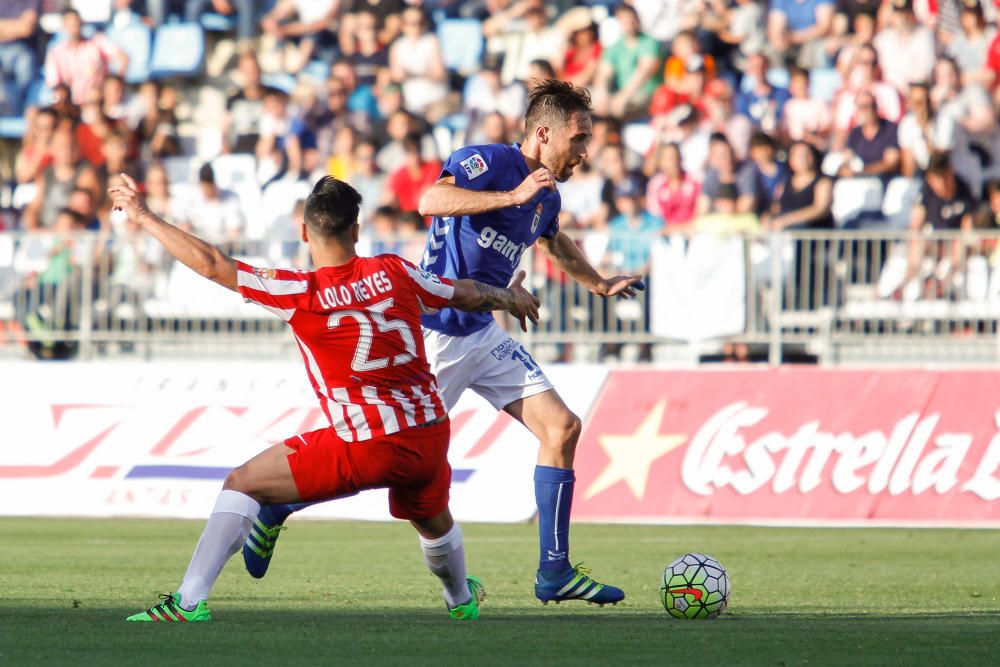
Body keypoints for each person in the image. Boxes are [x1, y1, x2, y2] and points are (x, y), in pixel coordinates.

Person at [247, 80, 637, 607]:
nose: (586, 150)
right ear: (544, 133)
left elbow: (553, 239)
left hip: (480, 333)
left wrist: (597, 282)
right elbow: (430, 199)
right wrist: (511, 196)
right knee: (376, 459)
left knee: (562, 427)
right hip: (432, 337)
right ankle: (277, 506)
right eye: (580, 137)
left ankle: (554, 571)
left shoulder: (549, 196)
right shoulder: (489, 162)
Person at [115, 174, 541, 622]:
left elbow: (211, 263)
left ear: (304, 233)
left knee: (242, 483)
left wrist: (144, 216)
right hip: (430, 435)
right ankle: (461, 601)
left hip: (367, 444)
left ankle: (187, 602)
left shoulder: (299, 292)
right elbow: (463, 293)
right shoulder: (393, 271)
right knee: (432, 520)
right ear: (356, 231)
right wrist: (508, 297)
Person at [44, 9, 129, 106]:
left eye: (76, 23)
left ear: (82, 23)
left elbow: (123, 58)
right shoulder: (56, 52)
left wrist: (114, 84)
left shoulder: (96, 42)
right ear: (64, 26)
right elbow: (53, 83)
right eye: (70, 24)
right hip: (72, 104)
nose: (74, 27)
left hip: (98, 102)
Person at [0, 0, 40, 116]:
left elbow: (26, 29)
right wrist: (17, 26)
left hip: (22, 49)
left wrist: (3, 28)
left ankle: (21, 110)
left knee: (24, 64)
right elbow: (21, 28)